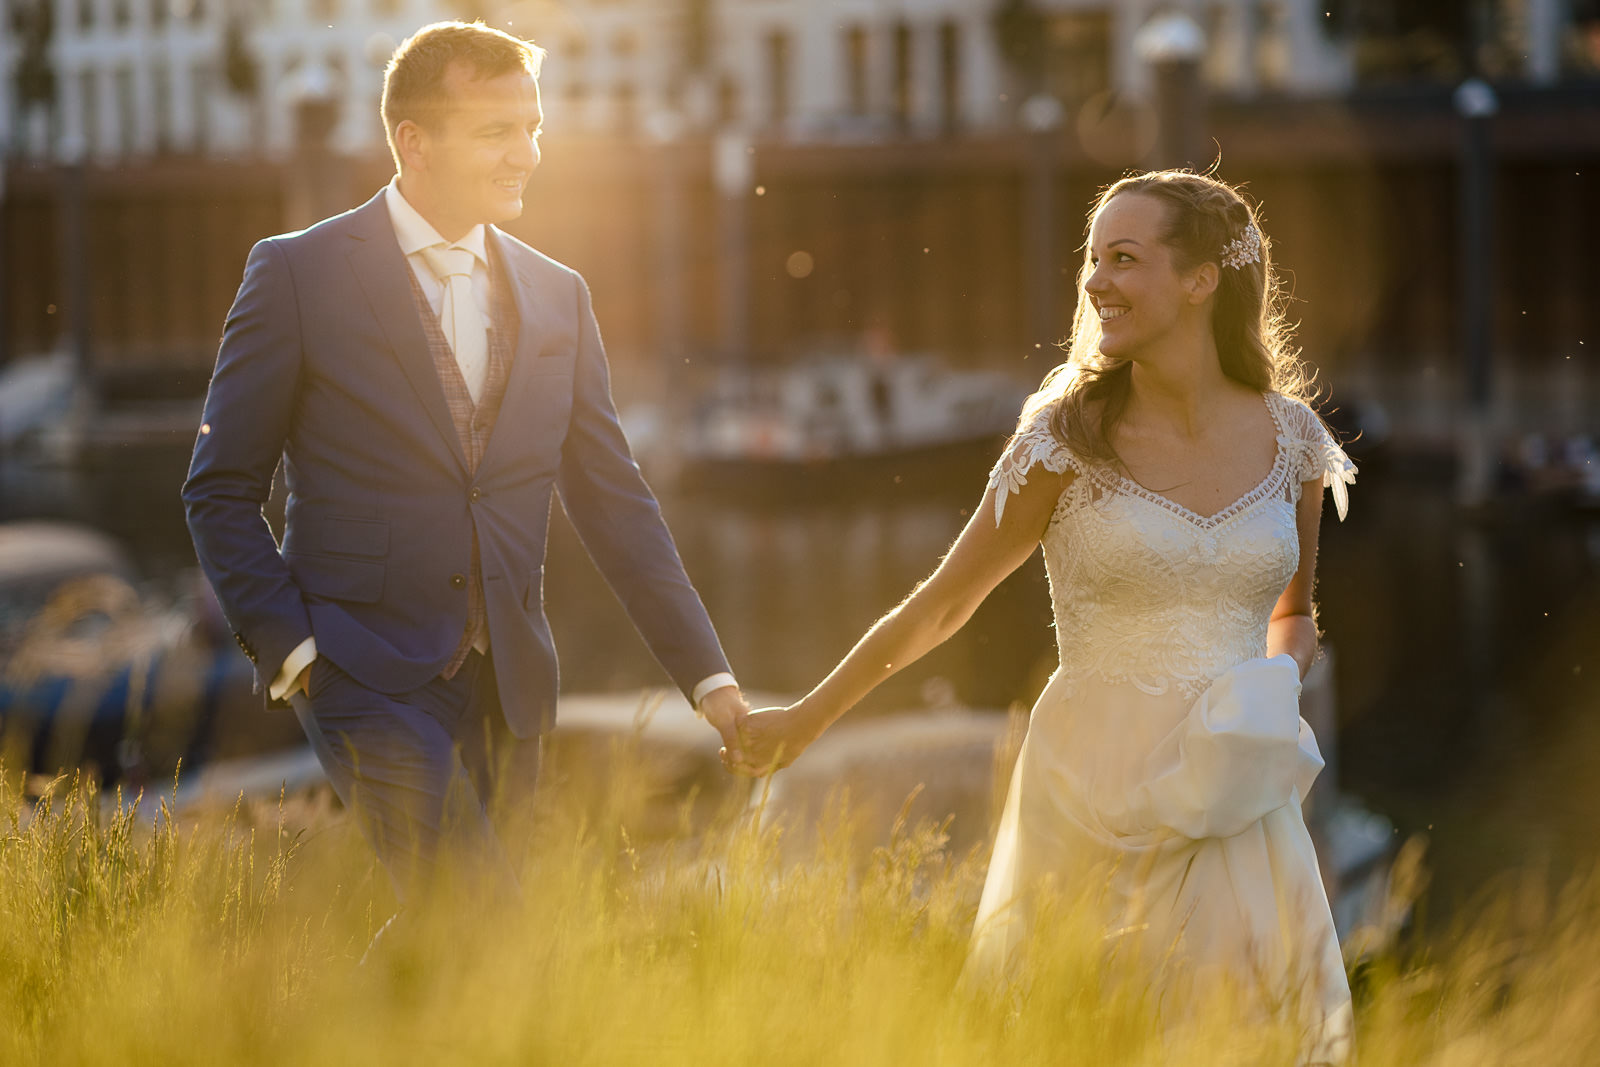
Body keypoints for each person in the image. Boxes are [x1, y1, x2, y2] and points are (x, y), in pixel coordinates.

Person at [731, 170, 1355, 1060]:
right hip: (1093, 780)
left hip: (1235, 789)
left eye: (1125, 258)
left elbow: (1296, 613)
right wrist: (806, 717)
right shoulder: (1065, 438)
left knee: (1246, 1030)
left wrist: (1274, 681)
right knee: (1091, 1025)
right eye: (1092, 259)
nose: (1096, 280)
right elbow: (943, 605)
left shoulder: (1292, 440)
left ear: (1201, 278)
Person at [183, 21, 750, 904]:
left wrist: (711, 683)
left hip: (512, 688)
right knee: (485, 918)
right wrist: (294, 653)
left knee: (456, 956)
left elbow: (616, 503)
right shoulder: (298, 274)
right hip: (359, 671)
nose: (526, 153)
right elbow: (218, 490)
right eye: (497, 131)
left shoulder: (560, 295)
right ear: (414, 142)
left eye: (532, 127)